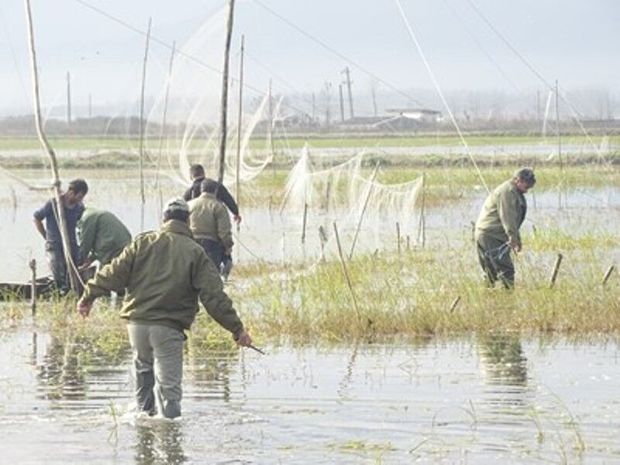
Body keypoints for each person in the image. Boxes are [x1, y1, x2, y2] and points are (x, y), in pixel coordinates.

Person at [76, 198, 252, 419]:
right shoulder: (195, 251)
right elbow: (214, 297)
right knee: (169, 391)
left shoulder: (142, 243)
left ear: (163, 219)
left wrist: (88, 295)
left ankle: (144, 432)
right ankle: (170, 441)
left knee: (144, 382)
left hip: (137, 326)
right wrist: (237, 329)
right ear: (188, 221)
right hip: (168, 328)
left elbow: (113, 273)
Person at [474, 167, 536, 288]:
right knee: (506, 271)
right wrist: (513, 238)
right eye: (526, 186)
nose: (527, 190)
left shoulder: (514, 191)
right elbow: (508, 217)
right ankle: (508, 299)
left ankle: (490, 300)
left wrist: (517, 239)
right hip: (491, 236)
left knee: (490, 272)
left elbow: (513, 220)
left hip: (486, 234)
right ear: (518, 180)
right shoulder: (508, 192)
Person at [33, 178, 88, 293]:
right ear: (72, 192)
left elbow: (80, 224)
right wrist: (46, 236)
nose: (80, 199)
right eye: (80, 196)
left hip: (71, 244)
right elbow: (37, 218)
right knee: (59, 275)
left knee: (73, 273)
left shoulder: (79, 207)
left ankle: (72, 292)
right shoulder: (53, 203)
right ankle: (60, 292)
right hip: (54, 244)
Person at [188, 179, 234, 277]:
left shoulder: (189, 205)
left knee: (192, 276)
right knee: (210, 278)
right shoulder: (218, 206)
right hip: (211, 246)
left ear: (201, 190)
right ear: (215, 191)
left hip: (190, 244)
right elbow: (224, 233)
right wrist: (228, 247)